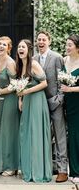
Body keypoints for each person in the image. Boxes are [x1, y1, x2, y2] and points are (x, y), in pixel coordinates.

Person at [16, 39, 52, 182]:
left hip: (37, 101)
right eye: (19, 47)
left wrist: (26, 92)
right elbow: (20, 87)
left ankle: (38, 171)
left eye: (23, 47)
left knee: (35, 134)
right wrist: (20, 99)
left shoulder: (34, 64)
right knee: (26, 134)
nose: (20, 49)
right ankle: (28, 169)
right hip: (27, 101)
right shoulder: (20, 66)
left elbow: (44, 83)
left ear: (29, 49)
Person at [34, 30, 68, 183]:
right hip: (39, 104)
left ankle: (62, 170)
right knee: (43, 137)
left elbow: (62, 81)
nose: (41, 42)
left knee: (60, 137)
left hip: (55, 102)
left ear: (49, 41)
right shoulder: (33, 58)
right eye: (39, 39)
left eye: (43, 40)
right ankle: (46, 167)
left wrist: (59, 99)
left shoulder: (57, 57)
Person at [0, 36, 20, 176]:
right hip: (1, 99)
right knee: (1, 131)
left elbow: (14, 85)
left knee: (8, 131)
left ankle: (11, 166)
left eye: (4, 44)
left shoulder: (10, 63)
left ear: (9, 48)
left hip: (10, 99)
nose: (1, 46)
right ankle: (1, 163)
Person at [60, 34, 79, 183]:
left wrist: (70, 90)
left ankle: (76, 172)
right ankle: (68, 169)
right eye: (66, 44)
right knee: (66, 137)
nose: (67, 47)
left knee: (75, 136)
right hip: (64, 102)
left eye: (70, 45)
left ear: (77, 47)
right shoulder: (64, 60)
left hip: (77, 103)